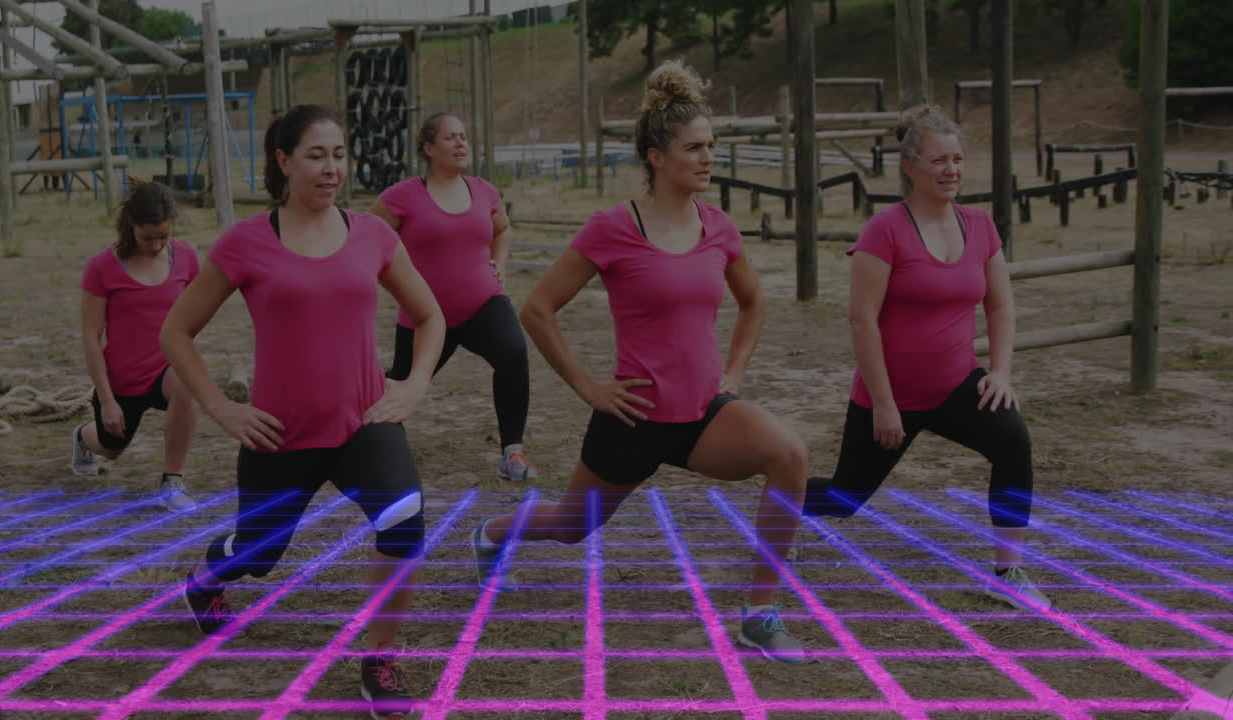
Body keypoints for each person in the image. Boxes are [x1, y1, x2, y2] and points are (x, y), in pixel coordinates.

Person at [470, 61, 810, 664]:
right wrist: (588, 387)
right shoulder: (612, 229)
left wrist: (732, 375)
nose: (708, 158)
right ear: (656, 156)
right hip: (632, 419)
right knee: (571, 528)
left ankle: (760, 613)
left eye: (711, 146)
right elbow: (538, 309)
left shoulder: (719, 227)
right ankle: (493, 533)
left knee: (789, 455)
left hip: (704, 415)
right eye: (694, 148)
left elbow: (754, 302)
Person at [159, 104, 446, 717]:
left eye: (339, 155)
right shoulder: (246, 243)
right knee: (258, 558)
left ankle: (380, 661)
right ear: (283, 162)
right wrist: (222, 409)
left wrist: (414, 384)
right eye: (316, 155)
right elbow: (176, 332)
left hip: (362, 423)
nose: (331, 168)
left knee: (404, 521)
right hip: (278, 436)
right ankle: (206, 582)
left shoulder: (373, 235)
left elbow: (430, 316)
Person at [801, 105, 1049, 610]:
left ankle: (1008, 572)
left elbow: (1000, 306)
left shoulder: (979, 226)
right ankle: (777, 497)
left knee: (1013, 442)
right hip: (891, 394)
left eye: (957, 159)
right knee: (844, 498)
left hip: (957, 385)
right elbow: (862, 321)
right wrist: (886, 404)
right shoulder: (885, 231)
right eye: (939, 160)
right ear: (909, 166)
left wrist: (1000, 372)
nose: (951, 170)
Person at [369, 112, 538, 483]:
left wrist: (499, 262)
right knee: (398, 384)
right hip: (426, 317)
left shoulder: (484, 190)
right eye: (450, 138)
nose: (461, 143)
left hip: (483, 304)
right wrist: (398, 286)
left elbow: (503, 228)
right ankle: (360, 441)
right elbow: (369, 243)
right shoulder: (402, 197)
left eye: (463, 136)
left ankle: (512, 451)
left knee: (513, 352)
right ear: (429, 148)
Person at [73, 180, 199, 513]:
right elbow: (91, 337)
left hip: (165, 370)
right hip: (122, 383)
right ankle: (83, 438)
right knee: (111, 448)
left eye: (164, 236)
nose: (157, 245)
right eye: (148, 237)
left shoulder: (186, 257)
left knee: (187, 384)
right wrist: (107, 399)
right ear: (131, 224)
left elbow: (195, 311)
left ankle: (172, 482)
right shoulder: (101, 267)